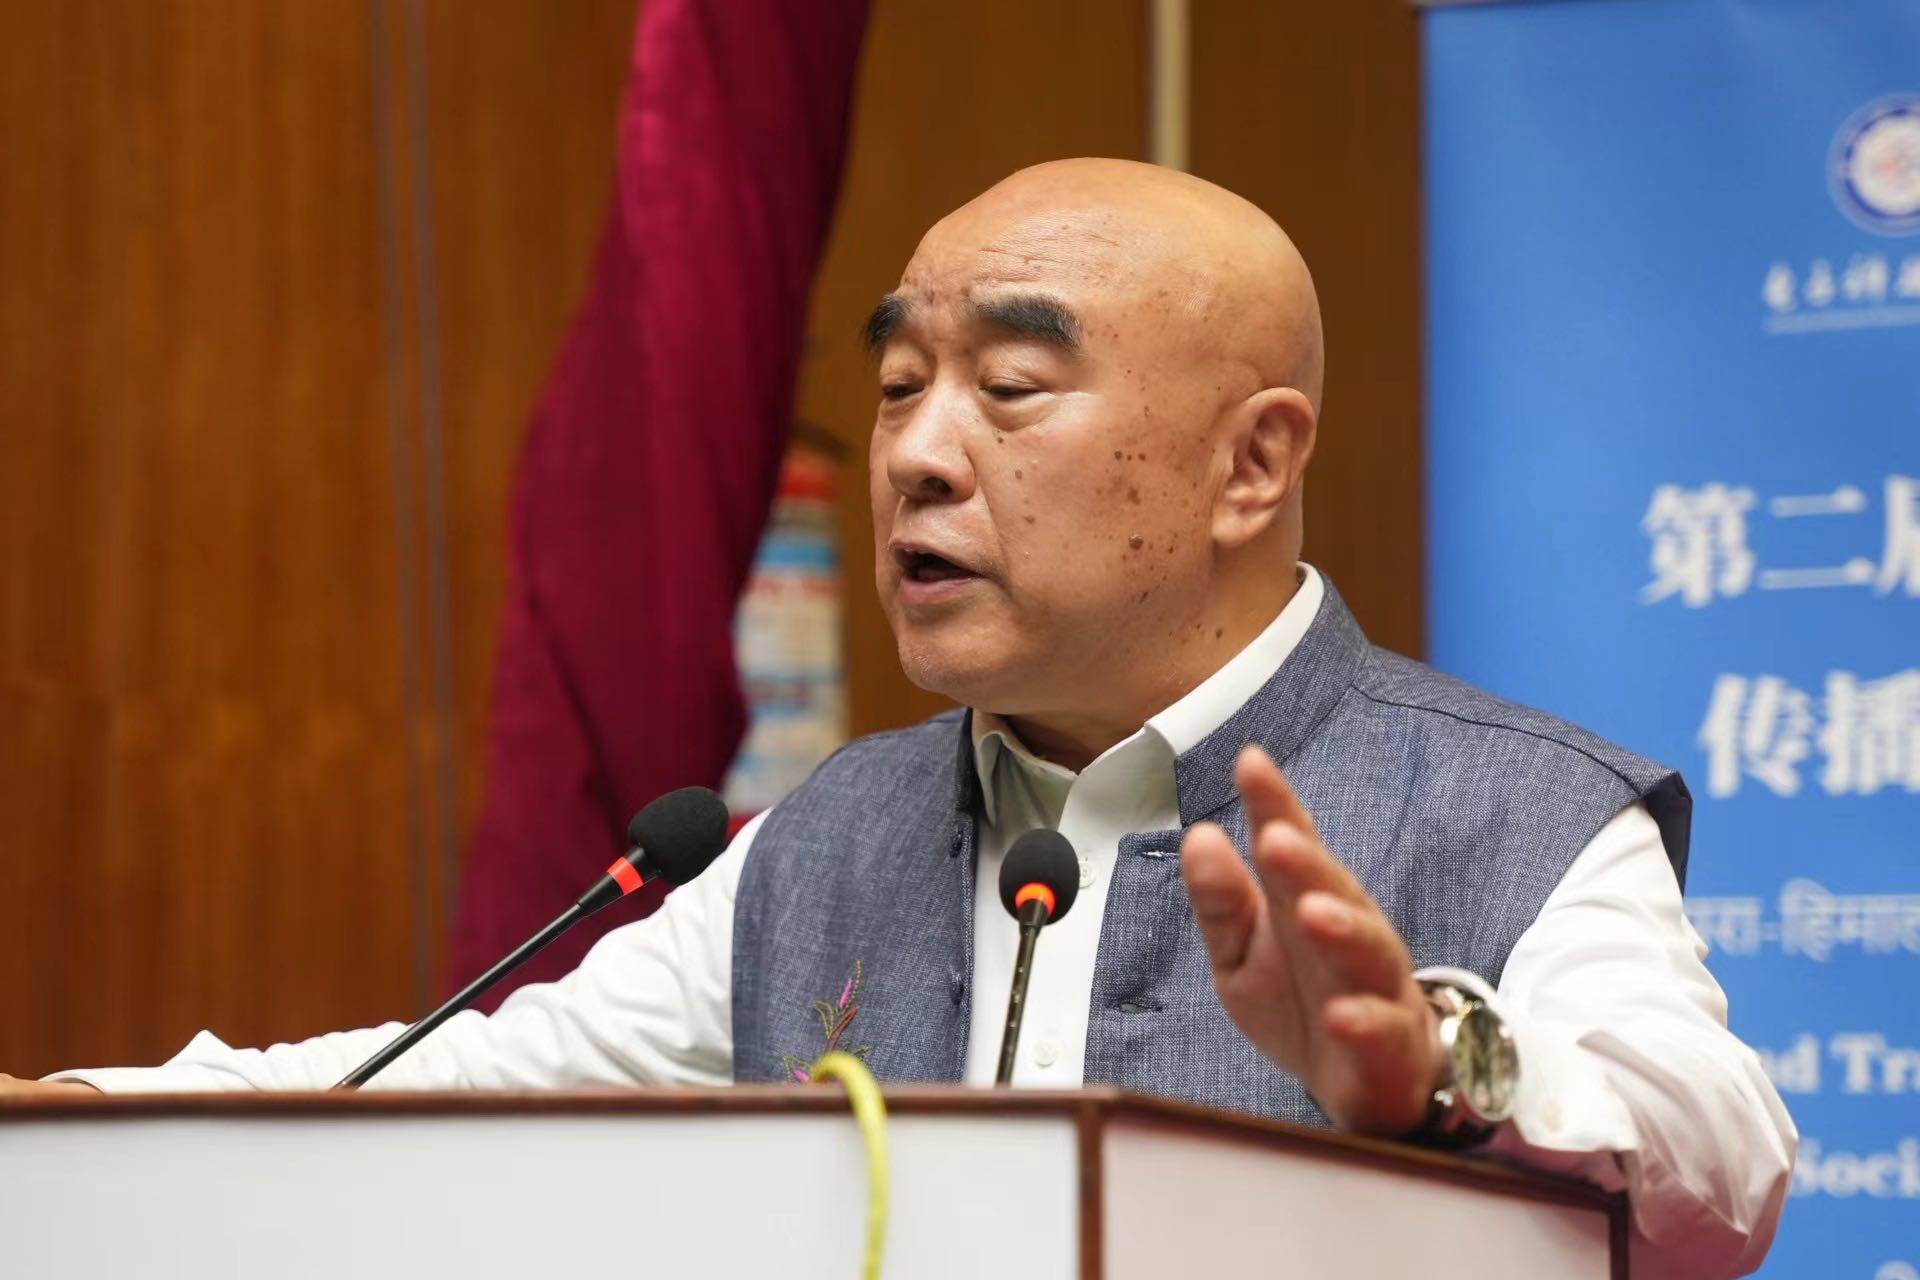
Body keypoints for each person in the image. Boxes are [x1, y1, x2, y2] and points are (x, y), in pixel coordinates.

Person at [2, 159, 1793, 1278]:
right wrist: (65, 1117)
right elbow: (442, 1093)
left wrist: (1438, 1069)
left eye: (1009, 387)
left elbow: (1723, 1170)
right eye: (897, 386)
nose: (920, 454)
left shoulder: (1521, 810)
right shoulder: (824, 838)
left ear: (1253, 465)